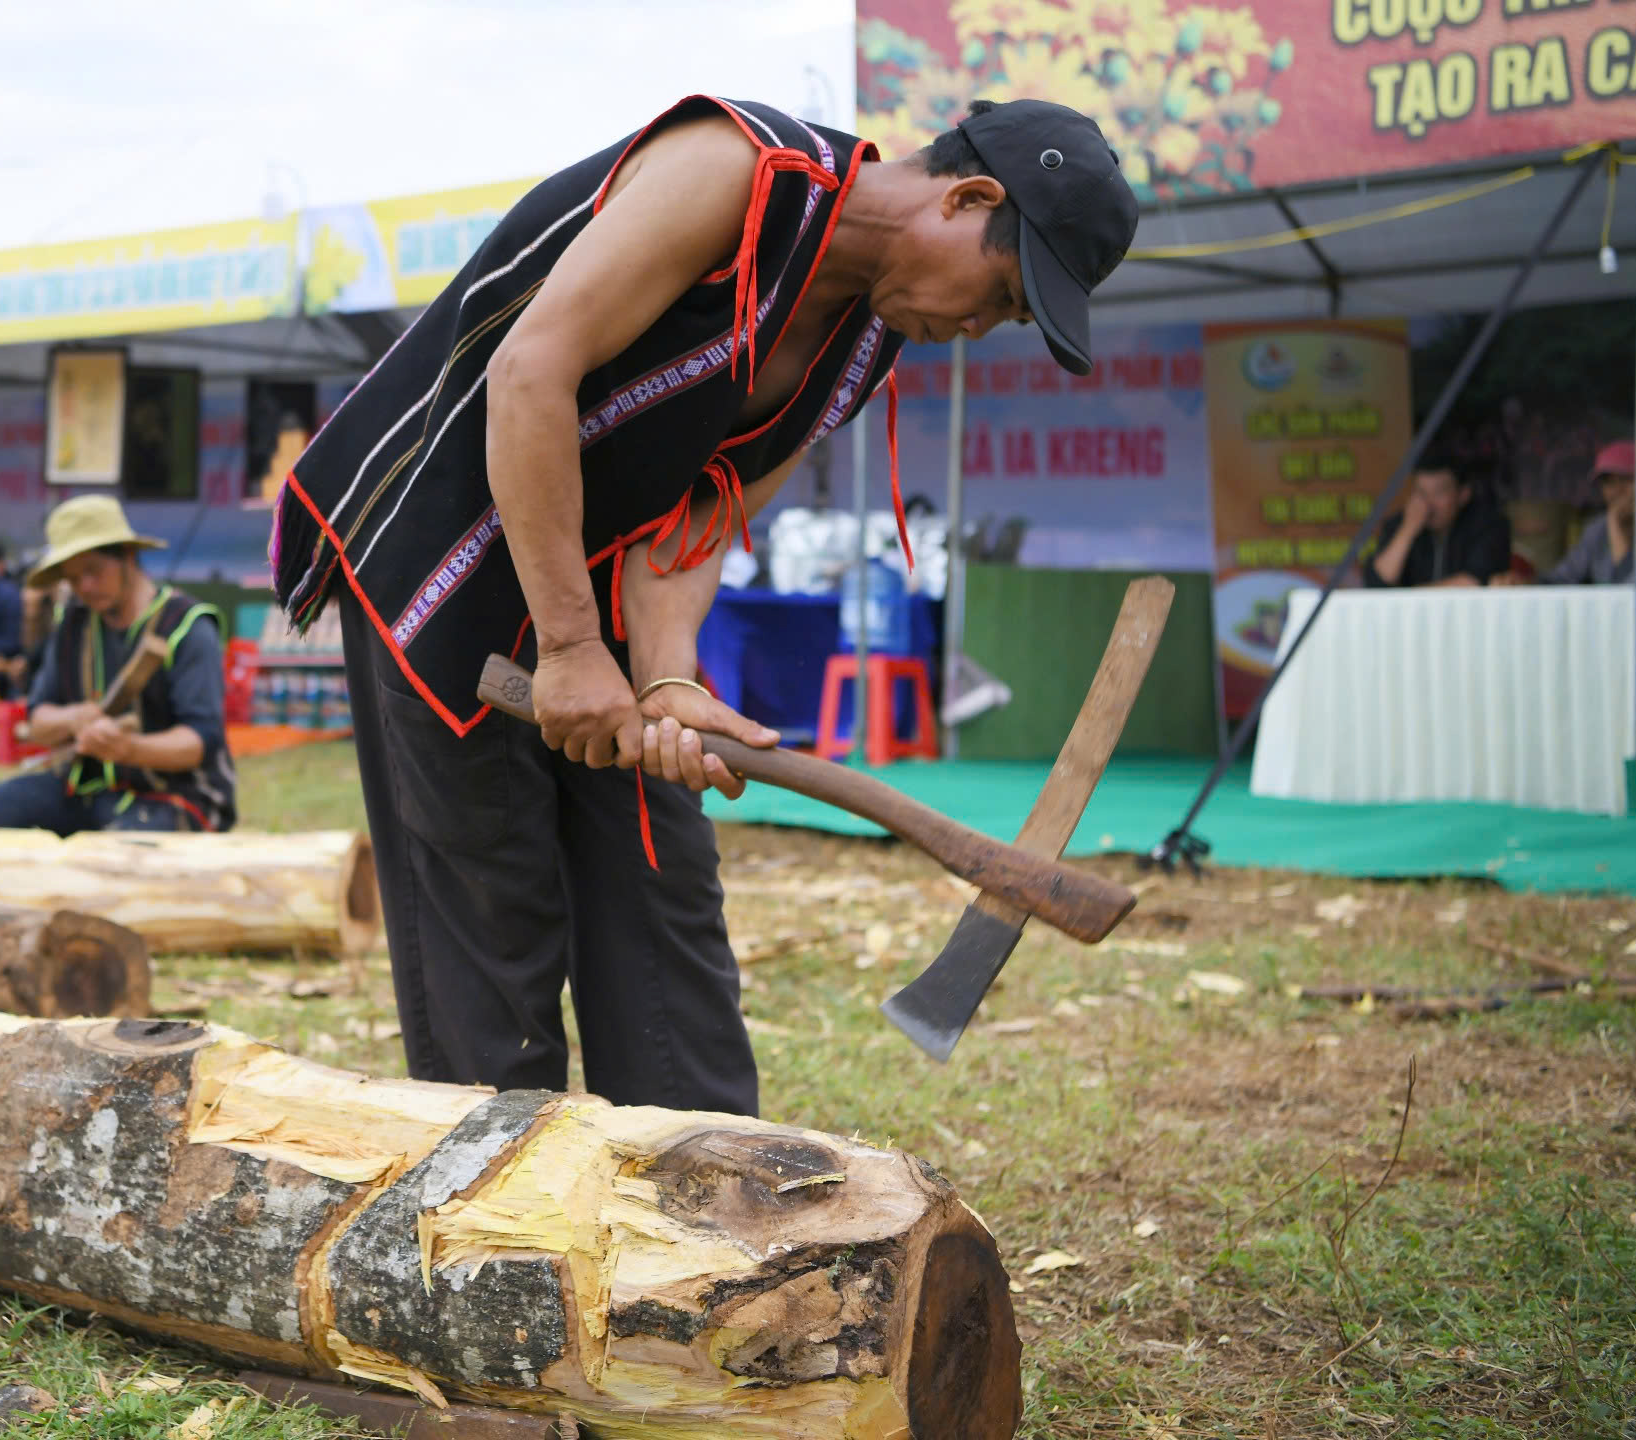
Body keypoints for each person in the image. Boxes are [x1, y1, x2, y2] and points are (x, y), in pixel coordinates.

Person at [268, 96, 1137, 1114]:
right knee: (492, 903)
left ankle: (709, 1198)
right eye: (1001, 295)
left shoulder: (865, 340)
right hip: (440, 555)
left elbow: (696, 518)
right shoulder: (737, 171)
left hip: (588, 583)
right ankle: (492, 1226)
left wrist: (666, 680)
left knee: (659, 879)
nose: (977, 329)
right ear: (967, 197)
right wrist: (570, 644)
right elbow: (530, 372)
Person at [0, 496, 235, 834]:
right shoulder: (74, 624)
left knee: (121, 851)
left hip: (174, 794)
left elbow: (199, 742)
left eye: (94, 571)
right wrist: (72, 718)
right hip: (90, 790)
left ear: (128, 557)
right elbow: (38, 720)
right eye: (73, 579)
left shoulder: (187, 627)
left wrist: (129, 749)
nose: (84, 587)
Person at [1366, 457, 1512, 588]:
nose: (1429, 503)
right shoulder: (1399, 524)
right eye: (1421, 492)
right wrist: (1408, 530)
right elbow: (1379, 582)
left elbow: (1475, 581)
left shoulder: (1488, 524)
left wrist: (1411, 597)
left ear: (1463, 494)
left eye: (1438, 492)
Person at [1523, 440, 1636, 585]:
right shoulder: (1598, 529)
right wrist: (1524, 583)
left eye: (1625, 478)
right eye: (1608, 482)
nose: (1617, 490)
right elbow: (1561, 579)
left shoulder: (1610, 522)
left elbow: (1631, 589)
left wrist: (1615, 524)